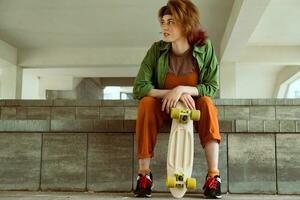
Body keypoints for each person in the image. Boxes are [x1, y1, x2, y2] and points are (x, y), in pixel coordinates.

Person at [132, 0, 222, 198]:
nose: (164, 26)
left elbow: (212, 87)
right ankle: (144, 176)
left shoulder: (204, 48)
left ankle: (213, 177)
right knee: (146, 103)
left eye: (170, 21)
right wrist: (169, 93)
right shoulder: (157, 50)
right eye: (162, 21)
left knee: (207, 103)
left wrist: (182, 89)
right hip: (165, 105)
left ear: (186, 22)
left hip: (193, 106)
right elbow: (139, 87)